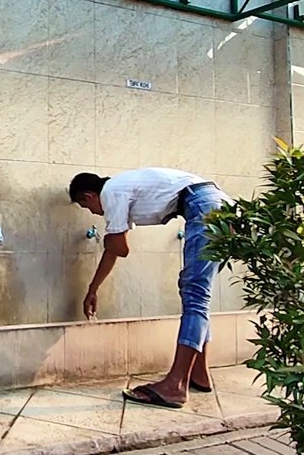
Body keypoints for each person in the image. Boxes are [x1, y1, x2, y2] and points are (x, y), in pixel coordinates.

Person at [68, 168, 231, 409]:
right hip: (219, 205)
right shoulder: (122, 189)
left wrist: (108, 239)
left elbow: (119, 248)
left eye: (87, 207)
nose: (93, 213)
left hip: (204, 206)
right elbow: (115, 250)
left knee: (195, 294)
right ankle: (199, 373)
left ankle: (175, 385)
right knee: (197, 292)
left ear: (89, 196)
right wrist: (93, 289)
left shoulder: (112, 191)